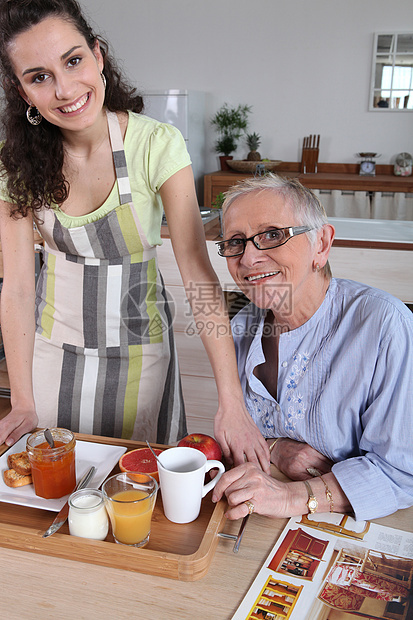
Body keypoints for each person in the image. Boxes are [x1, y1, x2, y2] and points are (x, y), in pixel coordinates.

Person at [0, 0, 269, 470]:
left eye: (73, 60)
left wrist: (231, 399)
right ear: (23, 92)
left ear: (98, 55)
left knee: (137, 491)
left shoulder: (155, 145)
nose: (65, 89)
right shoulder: (14, 165)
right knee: (55, 493)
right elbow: (19, 287)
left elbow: (198, 275)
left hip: (140, 355)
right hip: (52, 358)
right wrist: (21, 398)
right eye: (38, 76)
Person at [212, 173, 413, 522]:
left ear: (321, 244)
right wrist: (277, 449)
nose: (248, 259)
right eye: (235, 242)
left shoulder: (383, 324)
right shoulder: (240, 326)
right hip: (256, 521)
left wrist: (292, 497)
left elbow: (402, 472)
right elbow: (244, 437)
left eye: (272, 235)